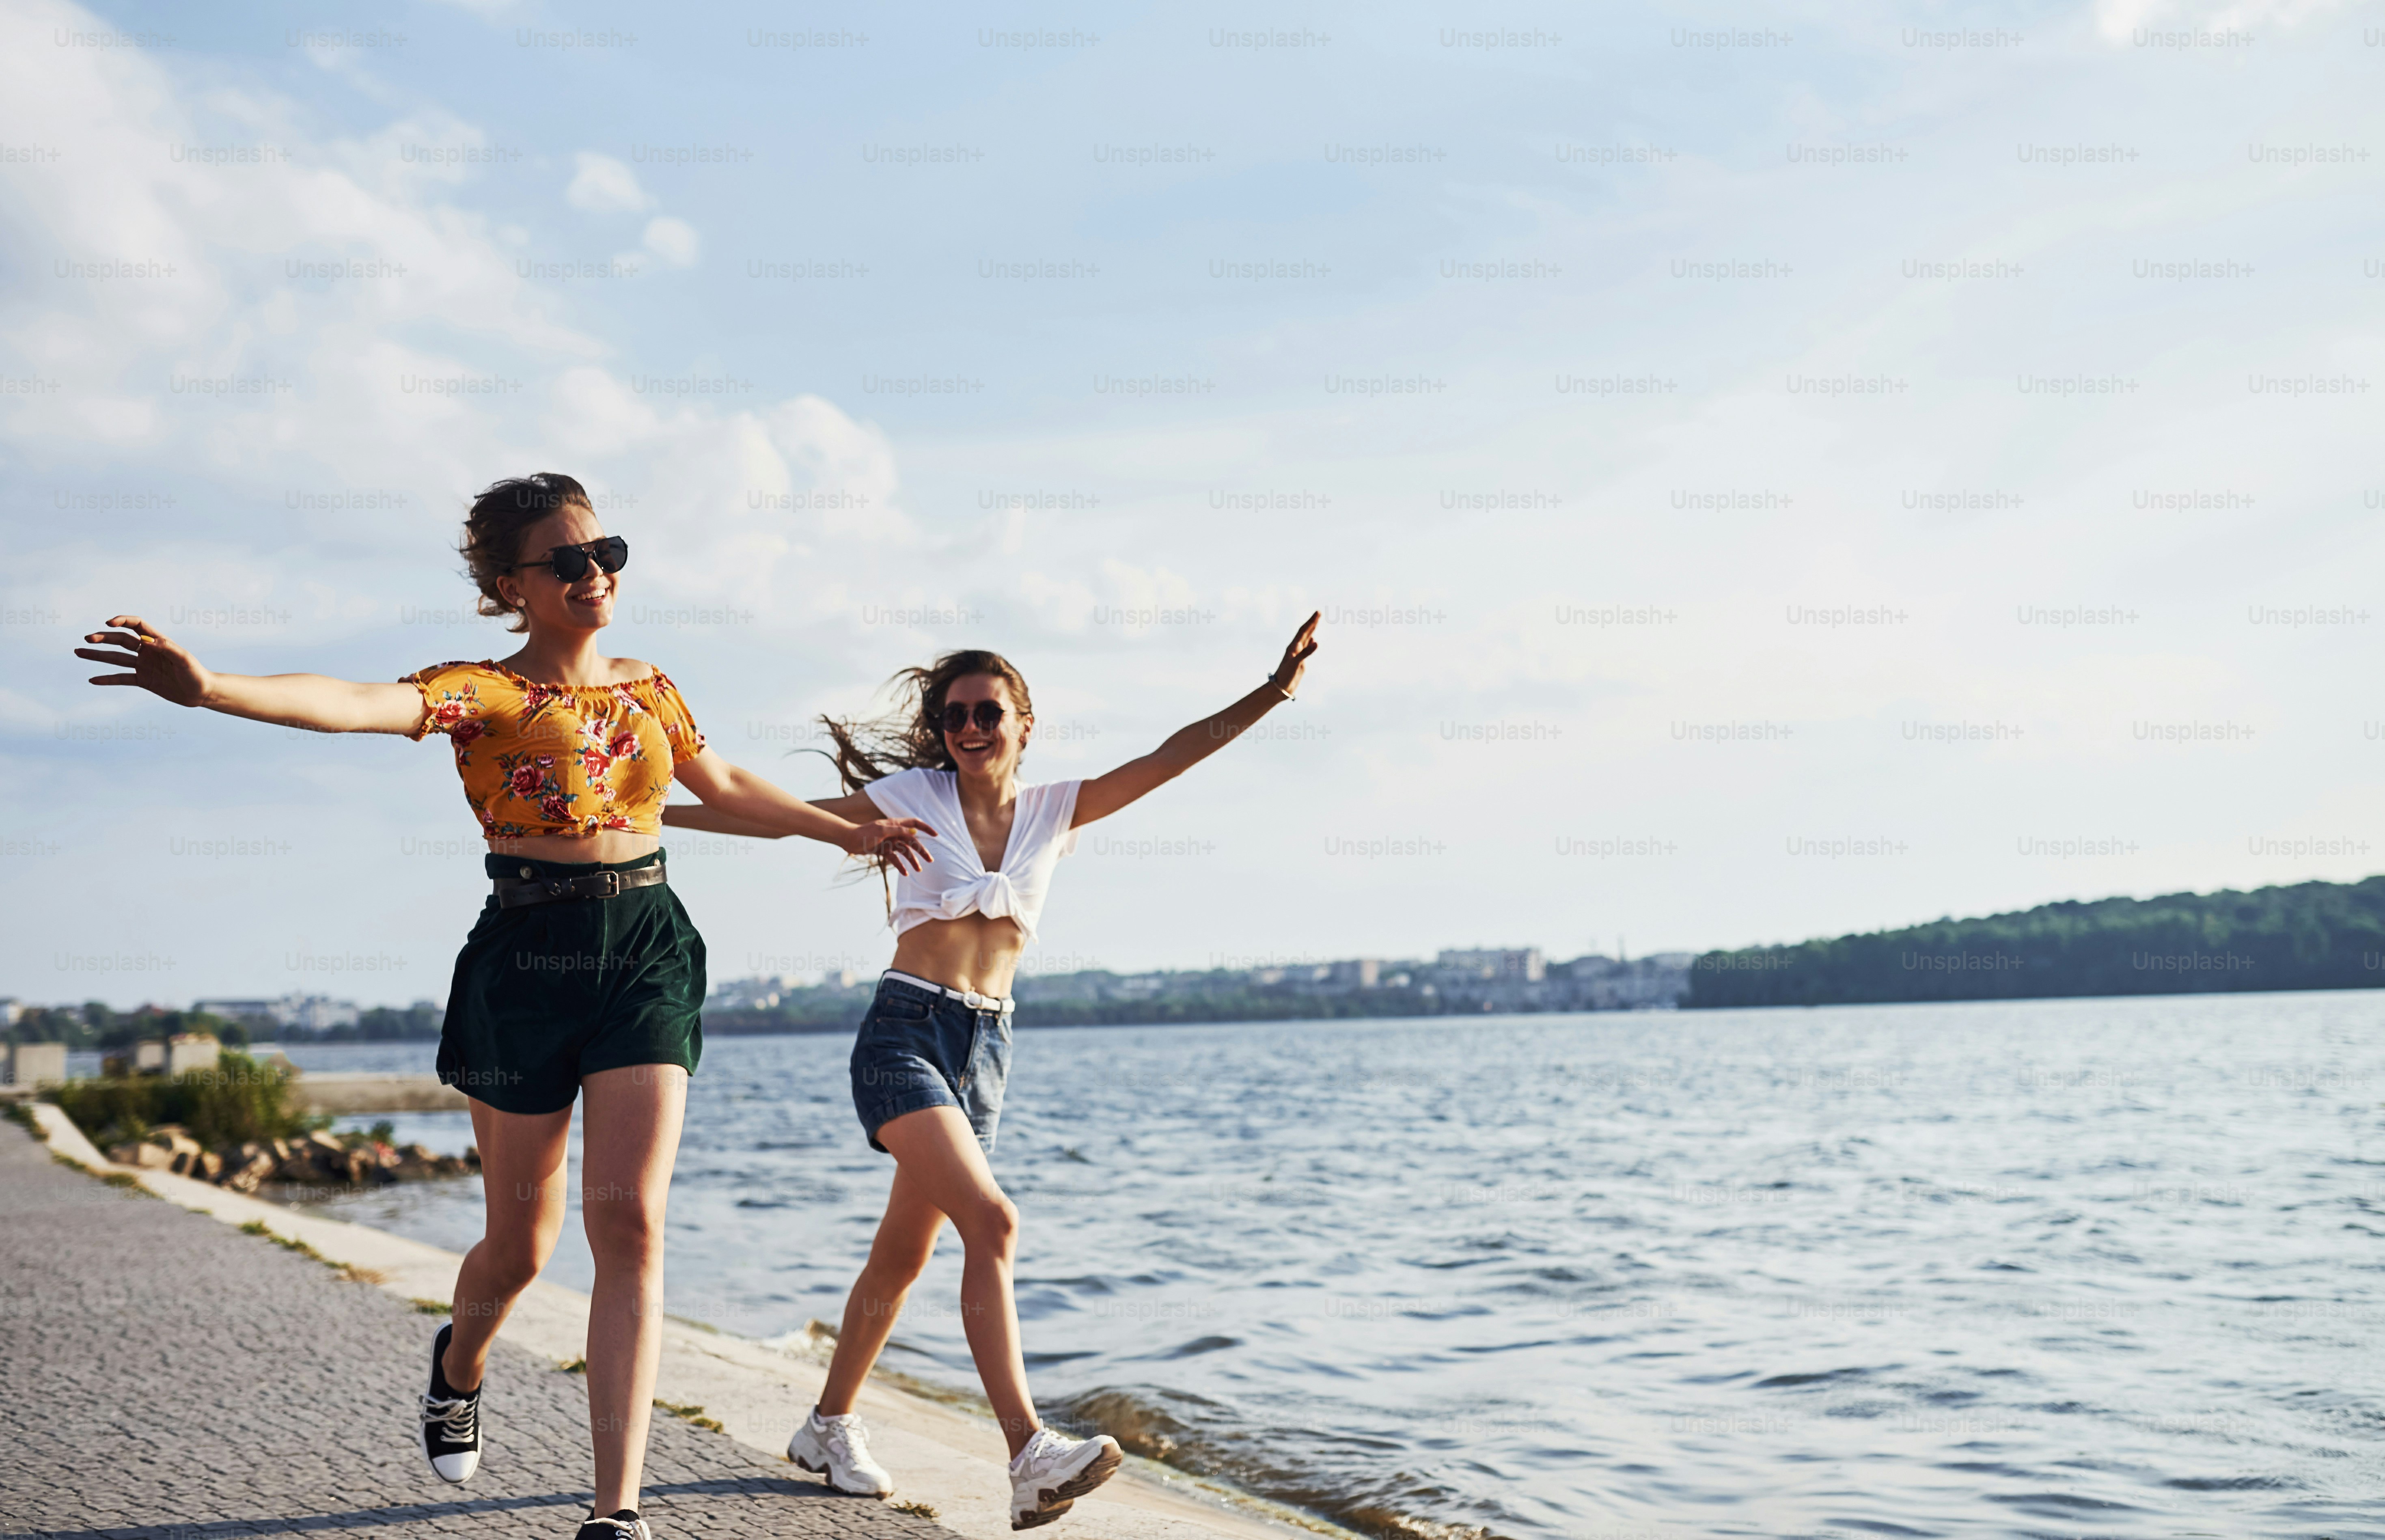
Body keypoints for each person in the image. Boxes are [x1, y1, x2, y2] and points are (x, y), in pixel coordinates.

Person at [74, 473, 932, 1540]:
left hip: (646, 949)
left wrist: (837, 828)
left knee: (629, 1219)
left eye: (605, 550)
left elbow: (724, 783)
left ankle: (614, 1512)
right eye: (566, 561)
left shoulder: (650, 687)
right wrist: (208, 687)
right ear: (508, 585)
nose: (594, 573)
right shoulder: (480, 692)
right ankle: (459, 1361)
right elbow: (350, 704)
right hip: (526, 956)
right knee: (519, 1248)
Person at [662, 612, 1321, 1530]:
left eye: (988, 713)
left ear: (1024, 723)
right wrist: (639, 809)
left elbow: (1172, 756)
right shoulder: (912, 794)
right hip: (902, 1034)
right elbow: (775, 822)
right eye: (955, 716)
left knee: (906, 1250)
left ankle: (826, 1424)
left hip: (988, 1054)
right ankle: (1026, 1452)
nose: (970, 729)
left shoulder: (1057, 810)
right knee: (993, 1220)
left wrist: (1273, 692)